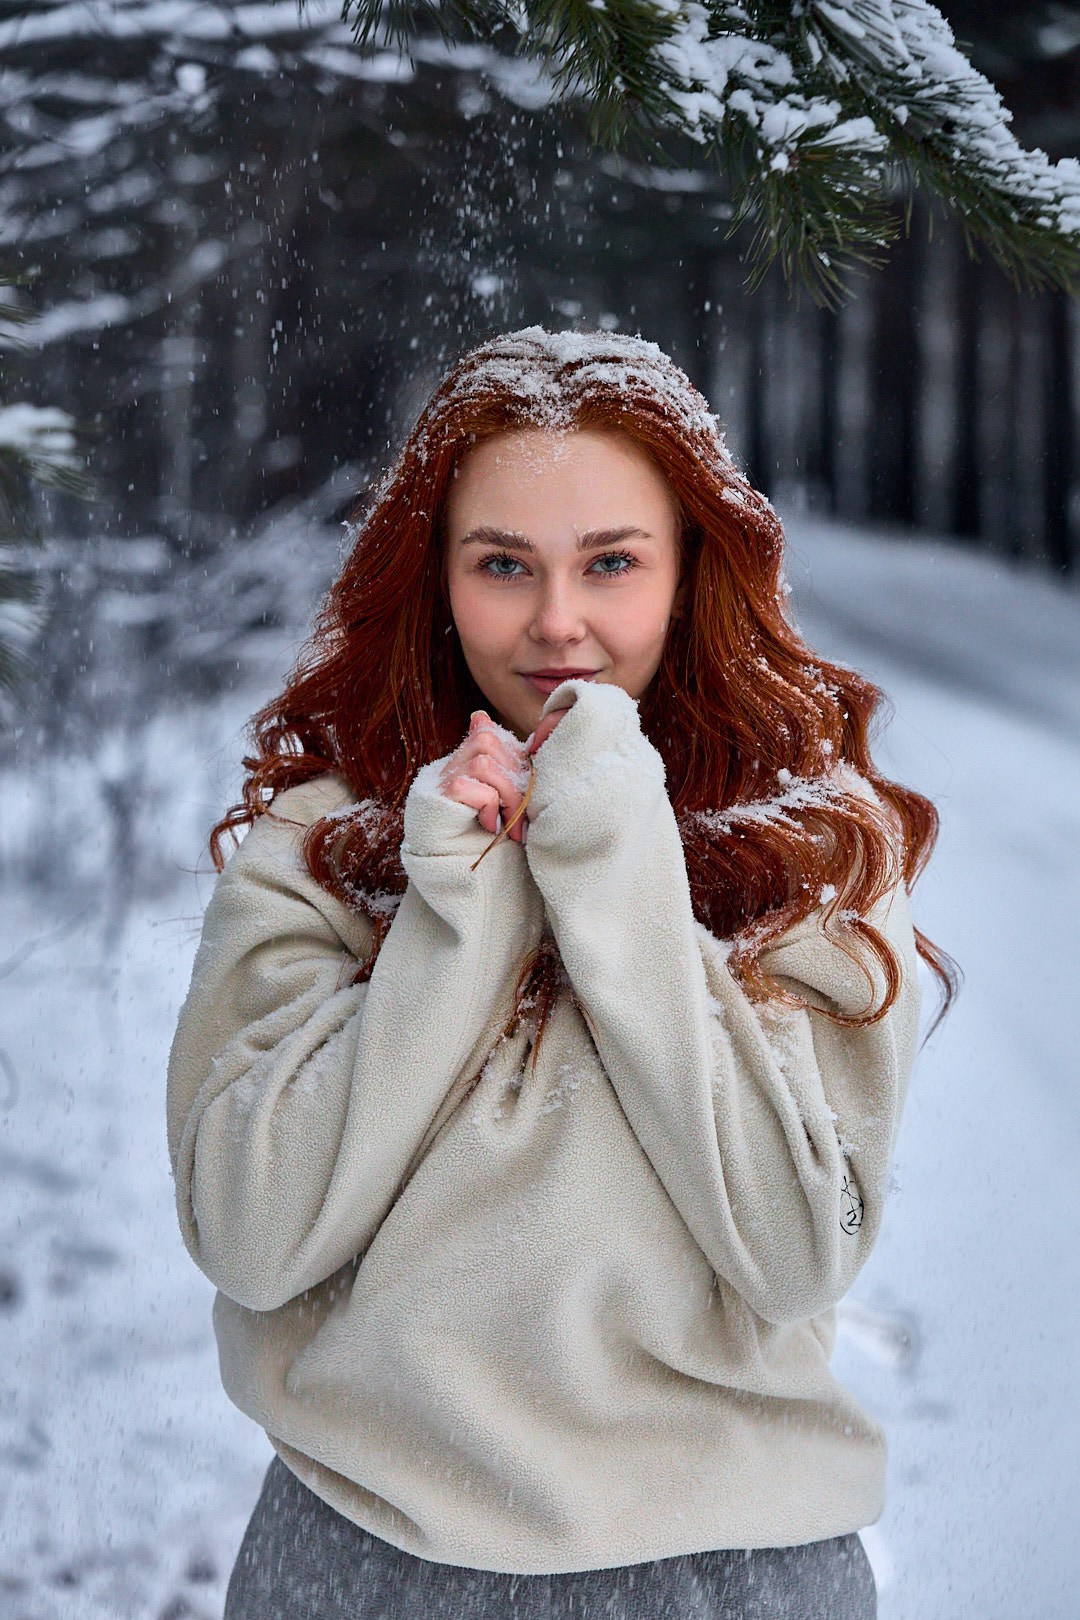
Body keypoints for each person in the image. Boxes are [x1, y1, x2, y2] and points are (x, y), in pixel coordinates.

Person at [166, 325, 956, 1619]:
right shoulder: (323, 838)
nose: (558, 623)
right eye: (502, 565)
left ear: (692, 567)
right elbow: (252, 1238)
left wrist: (619, 870)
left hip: (727, 1574)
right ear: (433, 576)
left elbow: (795, 1248)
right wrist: (455, 919)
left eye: (611, 563)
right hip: (364, 1565)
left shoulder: (810, 850)